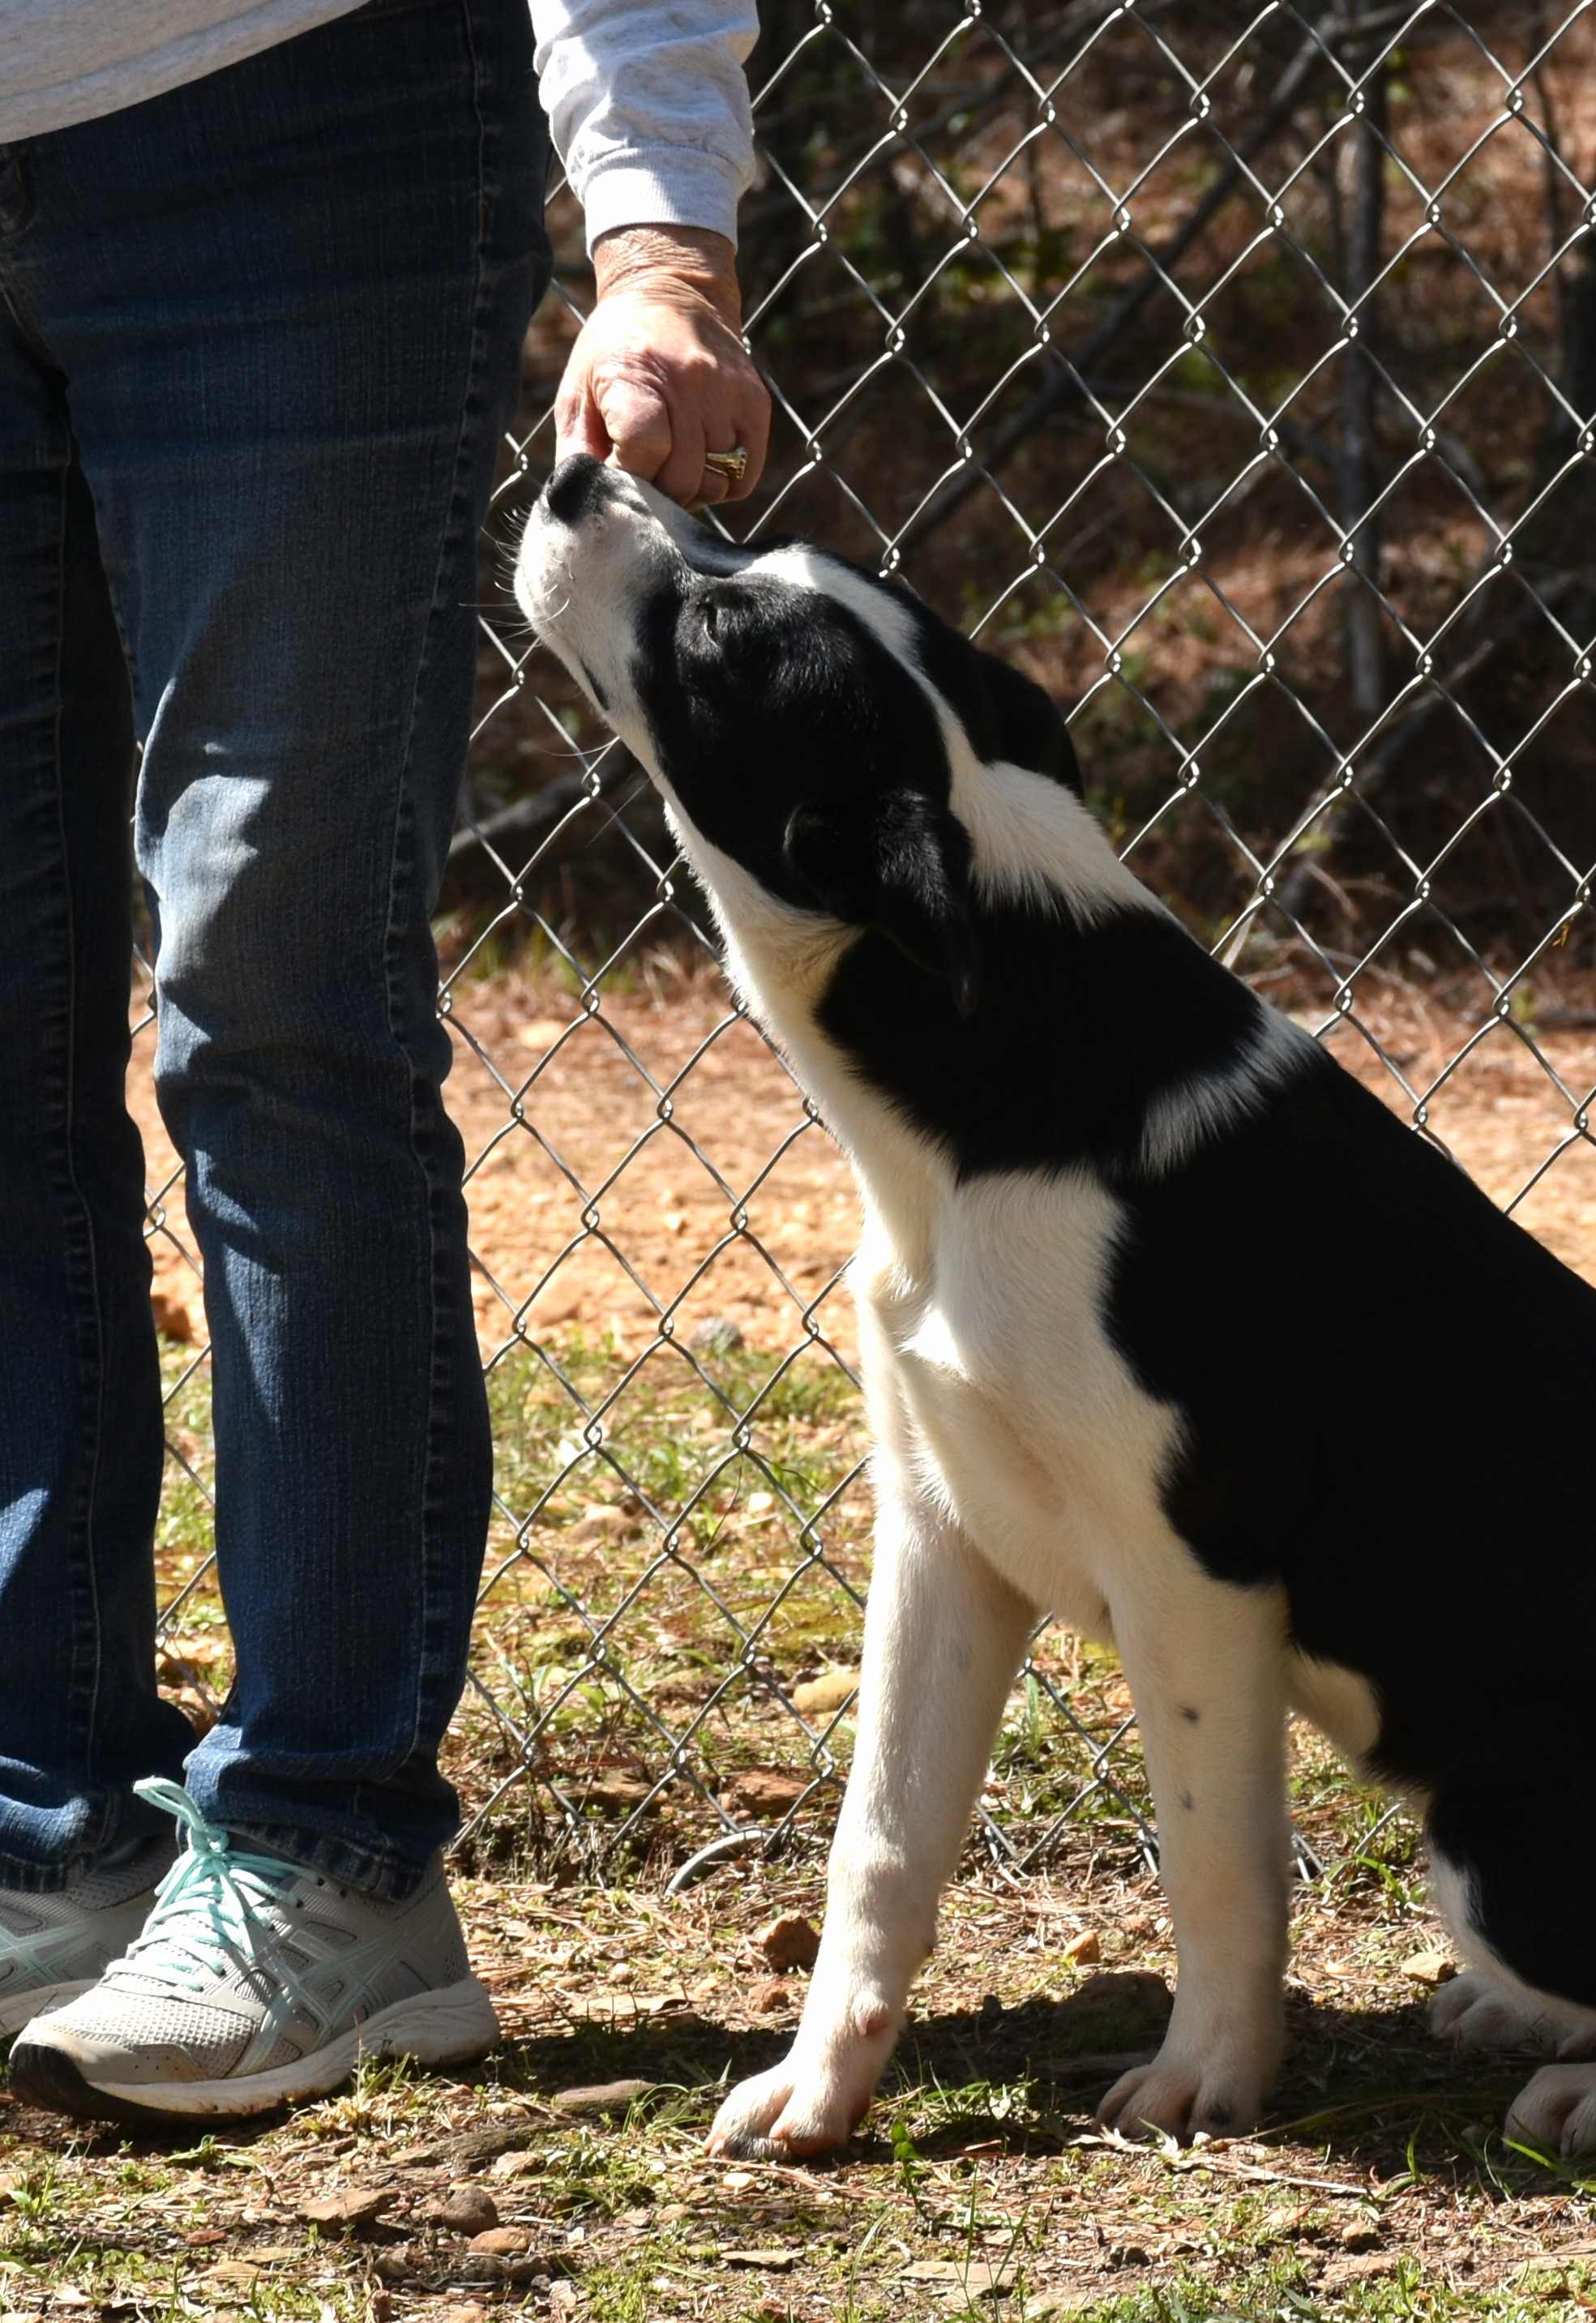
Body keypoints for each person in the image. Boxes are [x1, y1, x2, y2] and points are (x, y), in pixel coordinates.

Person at [0, 0, 766, 2125]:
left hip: (292, 128)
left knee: (274, 999)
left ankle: (332, 1857)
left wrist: (659, 241)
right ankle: (43, 1831)